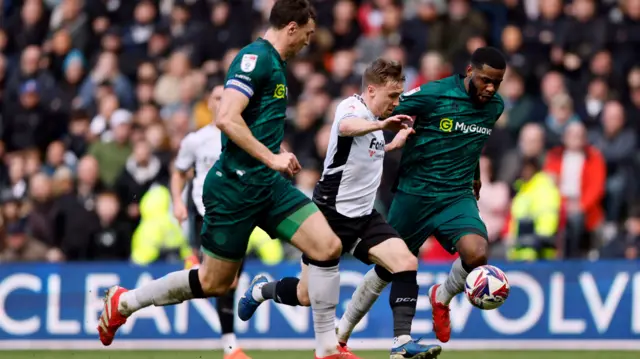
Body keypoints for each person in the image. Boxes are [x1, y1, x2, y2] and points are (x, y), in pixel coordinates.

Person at [97, 2, 360, 359]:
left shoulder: (277, 65)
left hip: (268, 186)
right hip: (234, 189)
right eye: (308, 35)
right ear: (292, 28)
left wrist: (275, 151)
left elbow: (250, 124)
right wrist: (272, 157)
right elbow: (225, 117)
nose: (309, 43)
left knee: (327, 247)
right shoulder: (255, 58)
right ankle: (124, 302)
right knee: (213, 282)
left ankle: (328, 348)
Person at [238, 58, 442, 359]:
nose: (396, 102)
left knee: (405, 261)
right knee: (305, 295)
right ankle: (261, 290)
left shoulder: (373, 124)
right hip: (328, 217)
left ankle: (401, 342)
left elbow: (362, 155)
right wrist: (382, 125)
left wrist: (391, 144)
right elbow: (347, 128)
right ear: (371, 90)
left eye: (399, 96)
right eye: (392, 96)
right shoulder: (352, 107)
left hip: (363, 218)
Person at [336, 47, 507, 345]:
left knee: (477, 253)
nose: (490, 88)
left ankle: (441, 298)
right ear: (470, 72)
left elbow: (473, 140)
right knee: (388, 267)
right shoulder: (435, 93)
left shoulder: (495, 107)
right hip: (415, 193)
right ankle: (341, 333)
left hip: (456, 194)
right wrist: (366, 123)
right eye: (484, 80)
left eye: (497, 82)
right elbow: (387, 105)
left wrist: (476, 175)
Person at [170, 84, 251, 359]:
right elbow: (179, 172)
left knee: (229, 284)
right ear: (210, 103)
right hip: (205, 215)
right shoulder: (196, 140)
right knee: (221, 281)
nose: (222, 102)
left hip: (236, 217)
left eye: (226, 97)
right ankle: (230, 346)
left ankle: (230, 345)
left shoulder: (241, 135)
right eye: (217, 98)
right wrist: (178, 202)